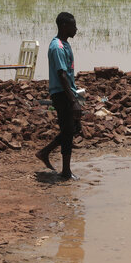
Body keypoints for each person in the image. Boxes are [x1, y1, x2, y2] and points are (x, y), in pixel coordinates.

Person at [36, 12, 83, 180]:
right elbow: (62, 75)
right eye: (73, 26)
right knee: (68, 131)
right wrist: (73, 100)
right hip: (62, 93)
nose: (76, 29)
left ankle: (45, 152)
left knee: (73, 129)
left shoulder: (65, 44)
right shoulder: (57, 47)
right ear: (64, 26)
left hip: (68, 92)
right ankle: (66, 172)